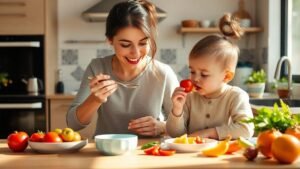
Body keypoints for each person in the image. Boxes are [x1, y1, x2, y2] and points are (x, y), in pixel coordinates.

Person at [67, 0, 178, 137]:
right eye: (125, 45)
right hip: (106, 153)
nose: (136, 53)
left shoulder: (163, 73)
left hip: (148, 153)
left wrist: (163, 127)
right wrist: (94, 100)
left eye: (143, 43)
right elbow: (73, 124)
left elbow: (185, 126)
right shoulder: (97, 67)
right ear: (110, 40)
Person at [166, 14, 254, 140]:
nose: (195, 78)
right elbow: (175, 135)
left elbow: (246, 129)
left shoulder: (236, 96)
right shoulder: (190, 98)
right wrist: (177, 110)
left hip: (223, 156)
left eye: (204, 74)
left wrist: (209, 133)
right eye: (192, 71)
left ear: (226, 76)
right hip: (191, 157)